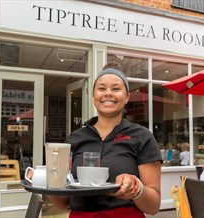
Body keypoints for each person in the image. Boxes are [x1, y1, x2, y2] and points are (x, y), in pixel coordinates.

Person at [46, 63, 163, 217]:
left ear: (127, 97)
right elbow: (63, 203)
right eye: (101, 88)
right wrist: (45, 181)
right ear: (93, 95)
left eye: (116, 89)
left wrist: (136, 188)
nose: (108, 93)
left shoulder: (142, 136)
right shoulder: (74, 138)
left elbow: (153, 206)